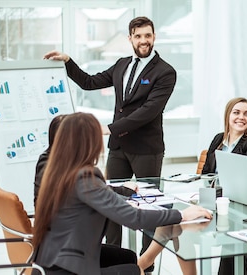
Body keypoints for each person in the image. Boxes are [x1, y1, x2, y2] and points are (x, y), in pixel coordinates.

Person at [43, 16, 177, 261]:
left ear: (154, 37)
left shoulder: (165, 72)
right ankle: (113, 259)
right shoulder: (121, 65)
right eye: (138, 36)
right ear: (130, 39)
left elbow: (148, 111)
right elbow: (89, 82)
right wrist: (68, 61)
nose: (143, 40)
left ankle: (145, 265)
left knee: (149, 205)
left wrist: (111, 128)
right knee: (110, 202)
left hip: (147, 149)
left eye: (148, 35)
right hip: (118, 148)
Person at [32, 112, 211, 275]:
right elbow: (134, 219)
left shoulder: (57, 171)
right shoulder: (84, 176)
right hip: (68, 267)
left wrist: (118, 201)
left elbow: (89, 202)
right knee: (134, 271)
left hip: (49, 260)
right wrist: (182, 214)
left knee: (127, 258)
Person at [138, 97, 247, 275]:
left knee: (176, 224)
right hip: (210, 201)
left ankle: (142, 263)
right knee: (173, 219)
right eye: (236, 112)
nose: (241, 117)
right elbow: (205, 174)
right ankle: (144, 263)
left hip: (233, 208)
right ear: (228, 115)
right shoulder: (219, 139)